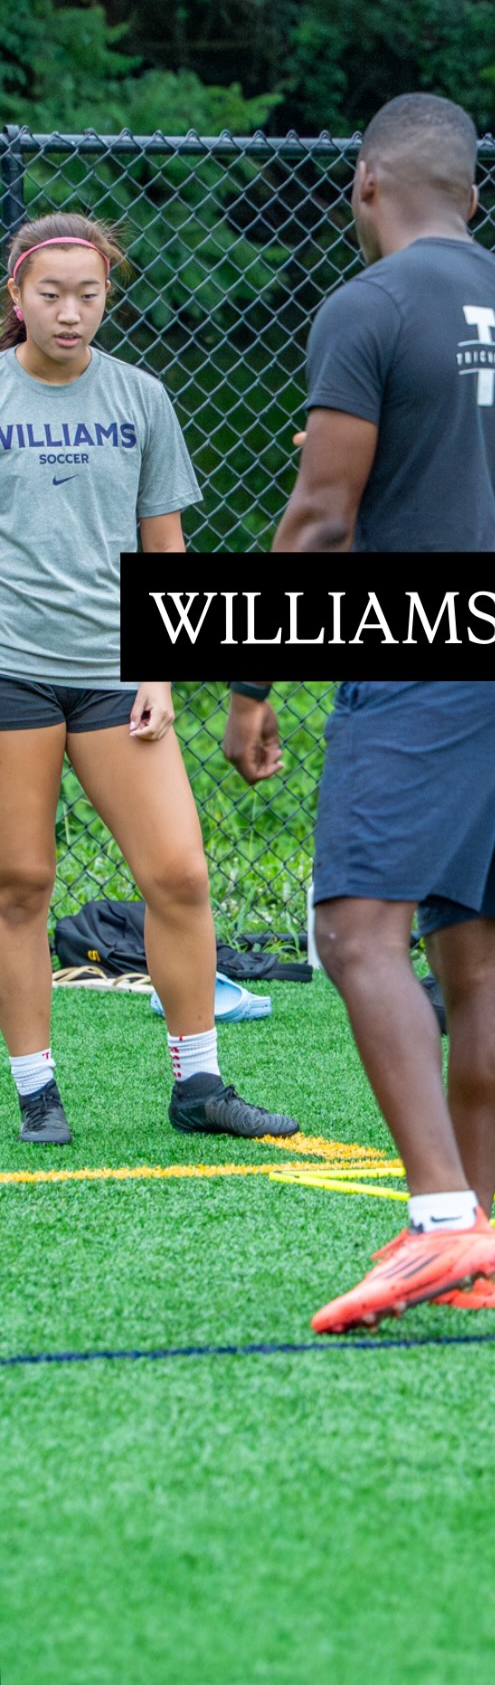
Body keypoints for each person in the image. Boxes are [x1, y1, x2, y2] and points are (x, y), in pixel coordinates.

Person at [222, 92, 495, 1331]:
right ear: (469, 193)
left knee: (356, 928)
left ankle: (438, 1219)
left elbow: (323, 516)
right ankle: (471, 1239)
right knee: (477, 948)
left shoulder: (365, 307)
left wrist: (255, 674)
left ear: (366, 181)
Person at [0, 214, 299, 1147]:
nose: (71, 312)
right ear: (17, 298)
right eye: (51, 294)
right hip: (11, 673)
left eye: (89, 295)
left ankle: (198, 1083)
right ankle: (37, 1090)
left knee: (178, 874)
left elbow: (164, 552)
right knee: (20, 884)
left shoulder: (142, 397)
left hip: (115, 678)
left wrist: (160, 670)